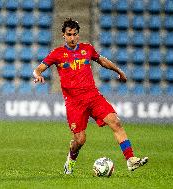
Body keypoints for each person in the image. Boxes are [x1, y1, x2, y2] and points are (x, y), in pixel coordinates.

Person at [33, 18, 148, 174]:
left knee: (115, 122)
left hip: (93, 96)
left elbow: (101, 60)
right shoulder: (57, 53)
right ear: (63, 35)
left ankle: (130, 159)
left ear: (78, 35)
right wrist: (38, 75)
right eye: (69, 34)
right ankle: (71, 159)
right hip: (74, 103)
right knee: (80, 140)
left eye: (75, 34)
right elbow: (38, 68)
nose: (72, 38)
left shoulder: (87, 49)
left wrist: (118, 71)